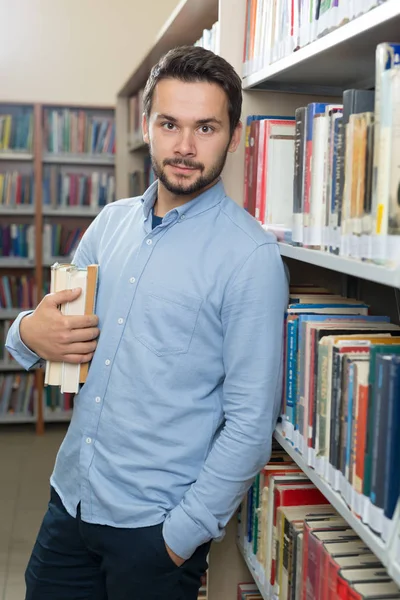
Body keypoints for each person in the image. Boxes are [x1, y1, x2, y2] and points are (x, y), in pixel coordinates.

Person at [5, 45, 289, 600]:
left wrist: (179, 538)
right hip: (71, 502)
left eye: (205, 127)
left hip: (154, 534)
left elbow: (250, 428)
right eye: (169, 124)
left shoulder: (250, 258)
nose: (184, 147)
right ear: (147, 126)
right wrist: (25, 333)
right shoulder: (109, 223)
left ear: (234, 136)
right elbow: (51, 330)